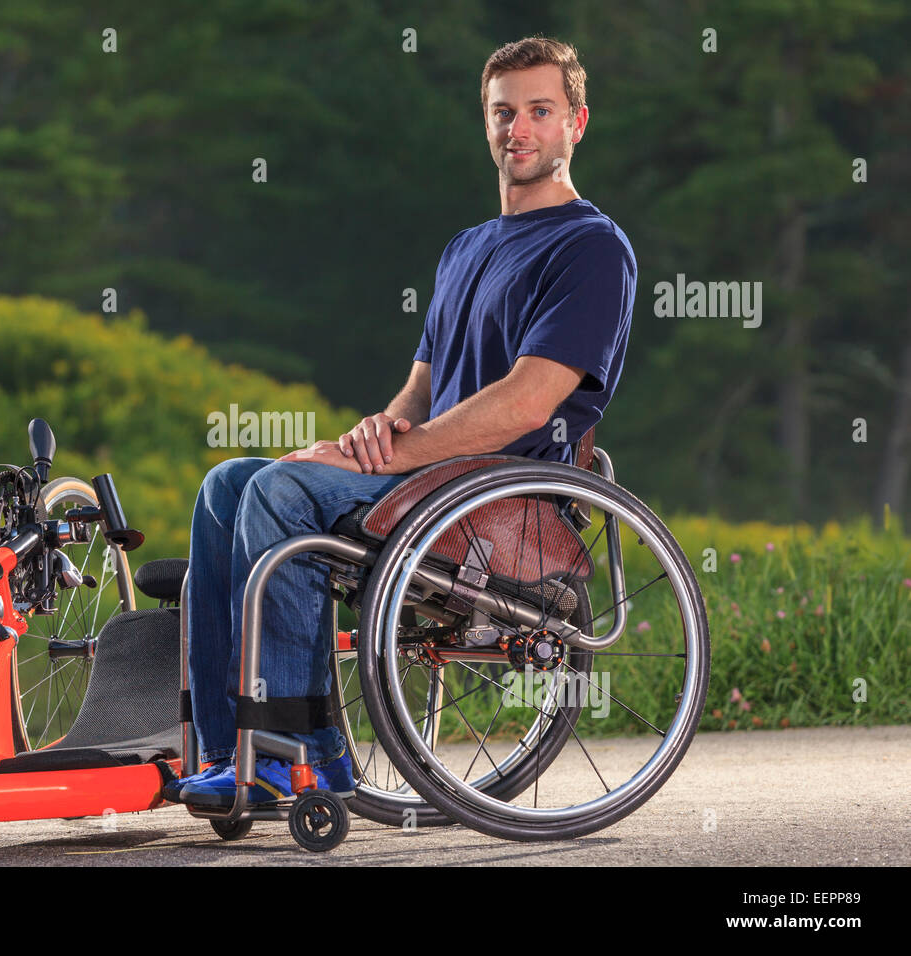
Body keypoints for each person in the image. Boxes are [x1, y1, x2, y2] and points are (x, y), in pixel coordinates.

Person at [164, 36, 638, 807]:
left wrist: (390, 460)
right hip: (423, 478)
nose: (517, 129)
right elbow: (419, 392)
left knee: (280, 499)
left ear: (576, 123)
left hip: (498, 500)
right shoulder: (466, 248)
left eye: (539, 111)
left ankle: (304, 753)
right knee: (232, 483)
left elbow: (526, 403)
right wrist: (364, 442)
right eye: (502, 112)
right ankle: (231, 750)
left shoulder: (591, 248)